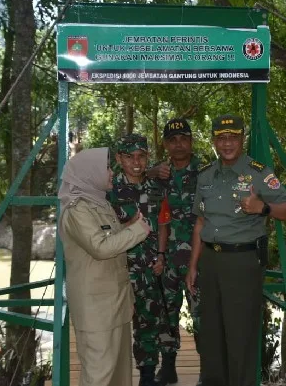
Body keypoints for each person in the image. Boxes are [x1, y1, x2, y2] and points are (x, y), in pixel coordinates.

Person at [185, 114, 286, 386]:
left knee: (240, 334)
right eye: (221, 138)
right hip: (210, 261)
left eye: (233, 137)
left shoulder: (259, 173)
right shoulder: (206, 176)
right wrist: (192, 266)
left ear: (242, 138)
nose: (227, 144)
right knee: (211, 332)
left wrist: (264, 208)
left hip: (242, 261)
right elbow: (201, 222)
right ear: (214, 141)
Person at [58, 147, 151, 386]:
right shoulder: (77, 210)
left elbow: (116, 253)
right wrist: (137, 231)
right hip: (96, 311)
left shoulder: (99, 203)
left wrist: (128, 297)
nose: (112, 172)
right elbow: (101, 248)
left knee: (120, 375)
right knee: (99, 376)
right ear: (90, 173)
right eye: (107, 168)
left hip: (115, 304)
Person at [108, 134, 172, 386]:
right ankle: (111, 376)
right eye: (129, 156)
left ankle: (146, 377)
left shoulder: (157, 189)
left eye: (141, 156)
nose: (136, 162)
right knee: (115, 324)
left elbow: (164, 224)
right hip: (118, 267)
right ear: (119, 158)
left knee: (148, 323)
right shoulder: (108, 190)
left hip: (148, 267)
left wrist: (161, 255)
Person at [147, 118, 204, 386]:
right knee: (166, 312)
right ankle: (168, 367)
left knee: (202, 313)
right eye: (173, 140)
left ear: (191, 141)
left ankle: (207, 370)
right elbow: (123, 176)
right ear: (166, 144)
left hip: (199, 257)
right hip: (166, 257)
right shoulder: (159, 172)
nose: (178, 144)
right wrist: (150, 172)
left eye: (183, 138)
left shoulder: (207, 171)